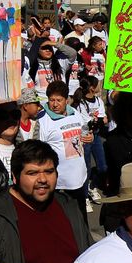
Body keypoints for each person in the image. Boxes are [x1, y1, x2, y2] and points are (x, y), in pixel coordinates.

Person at [36, 80, 94, 218]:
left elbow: (84, 132)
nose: (55, 104)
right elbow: (38, 151)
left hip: (79, 179)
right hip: (59, 184)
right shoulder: (43, 120)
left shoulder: (74, 113)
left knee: (81, 222)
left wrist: (89, 137)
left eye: (59, 100)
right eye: (51, 100)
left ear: (66, 100)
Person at [71, 76, 107, 200]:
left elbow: (102, 120)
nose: (99, 86)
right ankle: (85, 196)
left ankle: (92, 186)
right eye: (97, 84)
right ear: (92, 87)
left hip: (95, 136)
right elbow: (86, 124)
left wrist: (97, 122)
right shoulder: (80, 104)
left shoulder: (98, 101)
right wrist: (97, 121)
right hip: (84, 137)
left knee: (103, 167)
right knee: (86, 166)